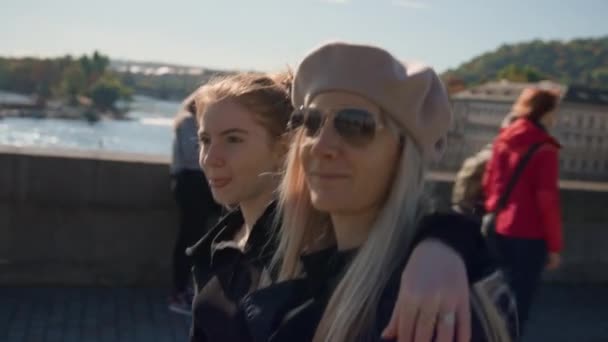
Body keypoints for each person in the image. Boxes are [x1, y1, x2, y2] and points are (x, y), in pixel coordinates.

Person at [231, 42, 518, 342]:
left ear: (403, 155)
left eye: (355, 124)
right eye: (312, 123)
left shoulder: (422, 311)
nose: (320, 145)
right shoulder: (298, 259)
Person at [483, 87, 563, 332]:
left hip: (499, 227)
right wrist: (554, 247)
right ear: (547, 112)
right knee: (519, 303)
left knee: (493, 298)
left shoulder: (504, 138)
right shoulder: (544, 148)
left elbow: (488, 182)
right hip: (529, 234)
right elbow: (547, 201)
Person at [168, 92, 222, 315]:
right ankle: (180, 291)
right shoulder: (191, 124)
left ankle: (186, 289)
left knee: (194, 237)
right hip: (193, 184)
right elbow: (196, 157)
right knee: (190, 238)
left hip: (191, 184)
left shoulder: (186, 122)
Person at [452, 113, 517, 218]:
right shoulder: (495, 152)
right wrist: (463, 205)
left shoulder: (499, 150)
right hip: (479, 208)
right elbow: (469, 172)